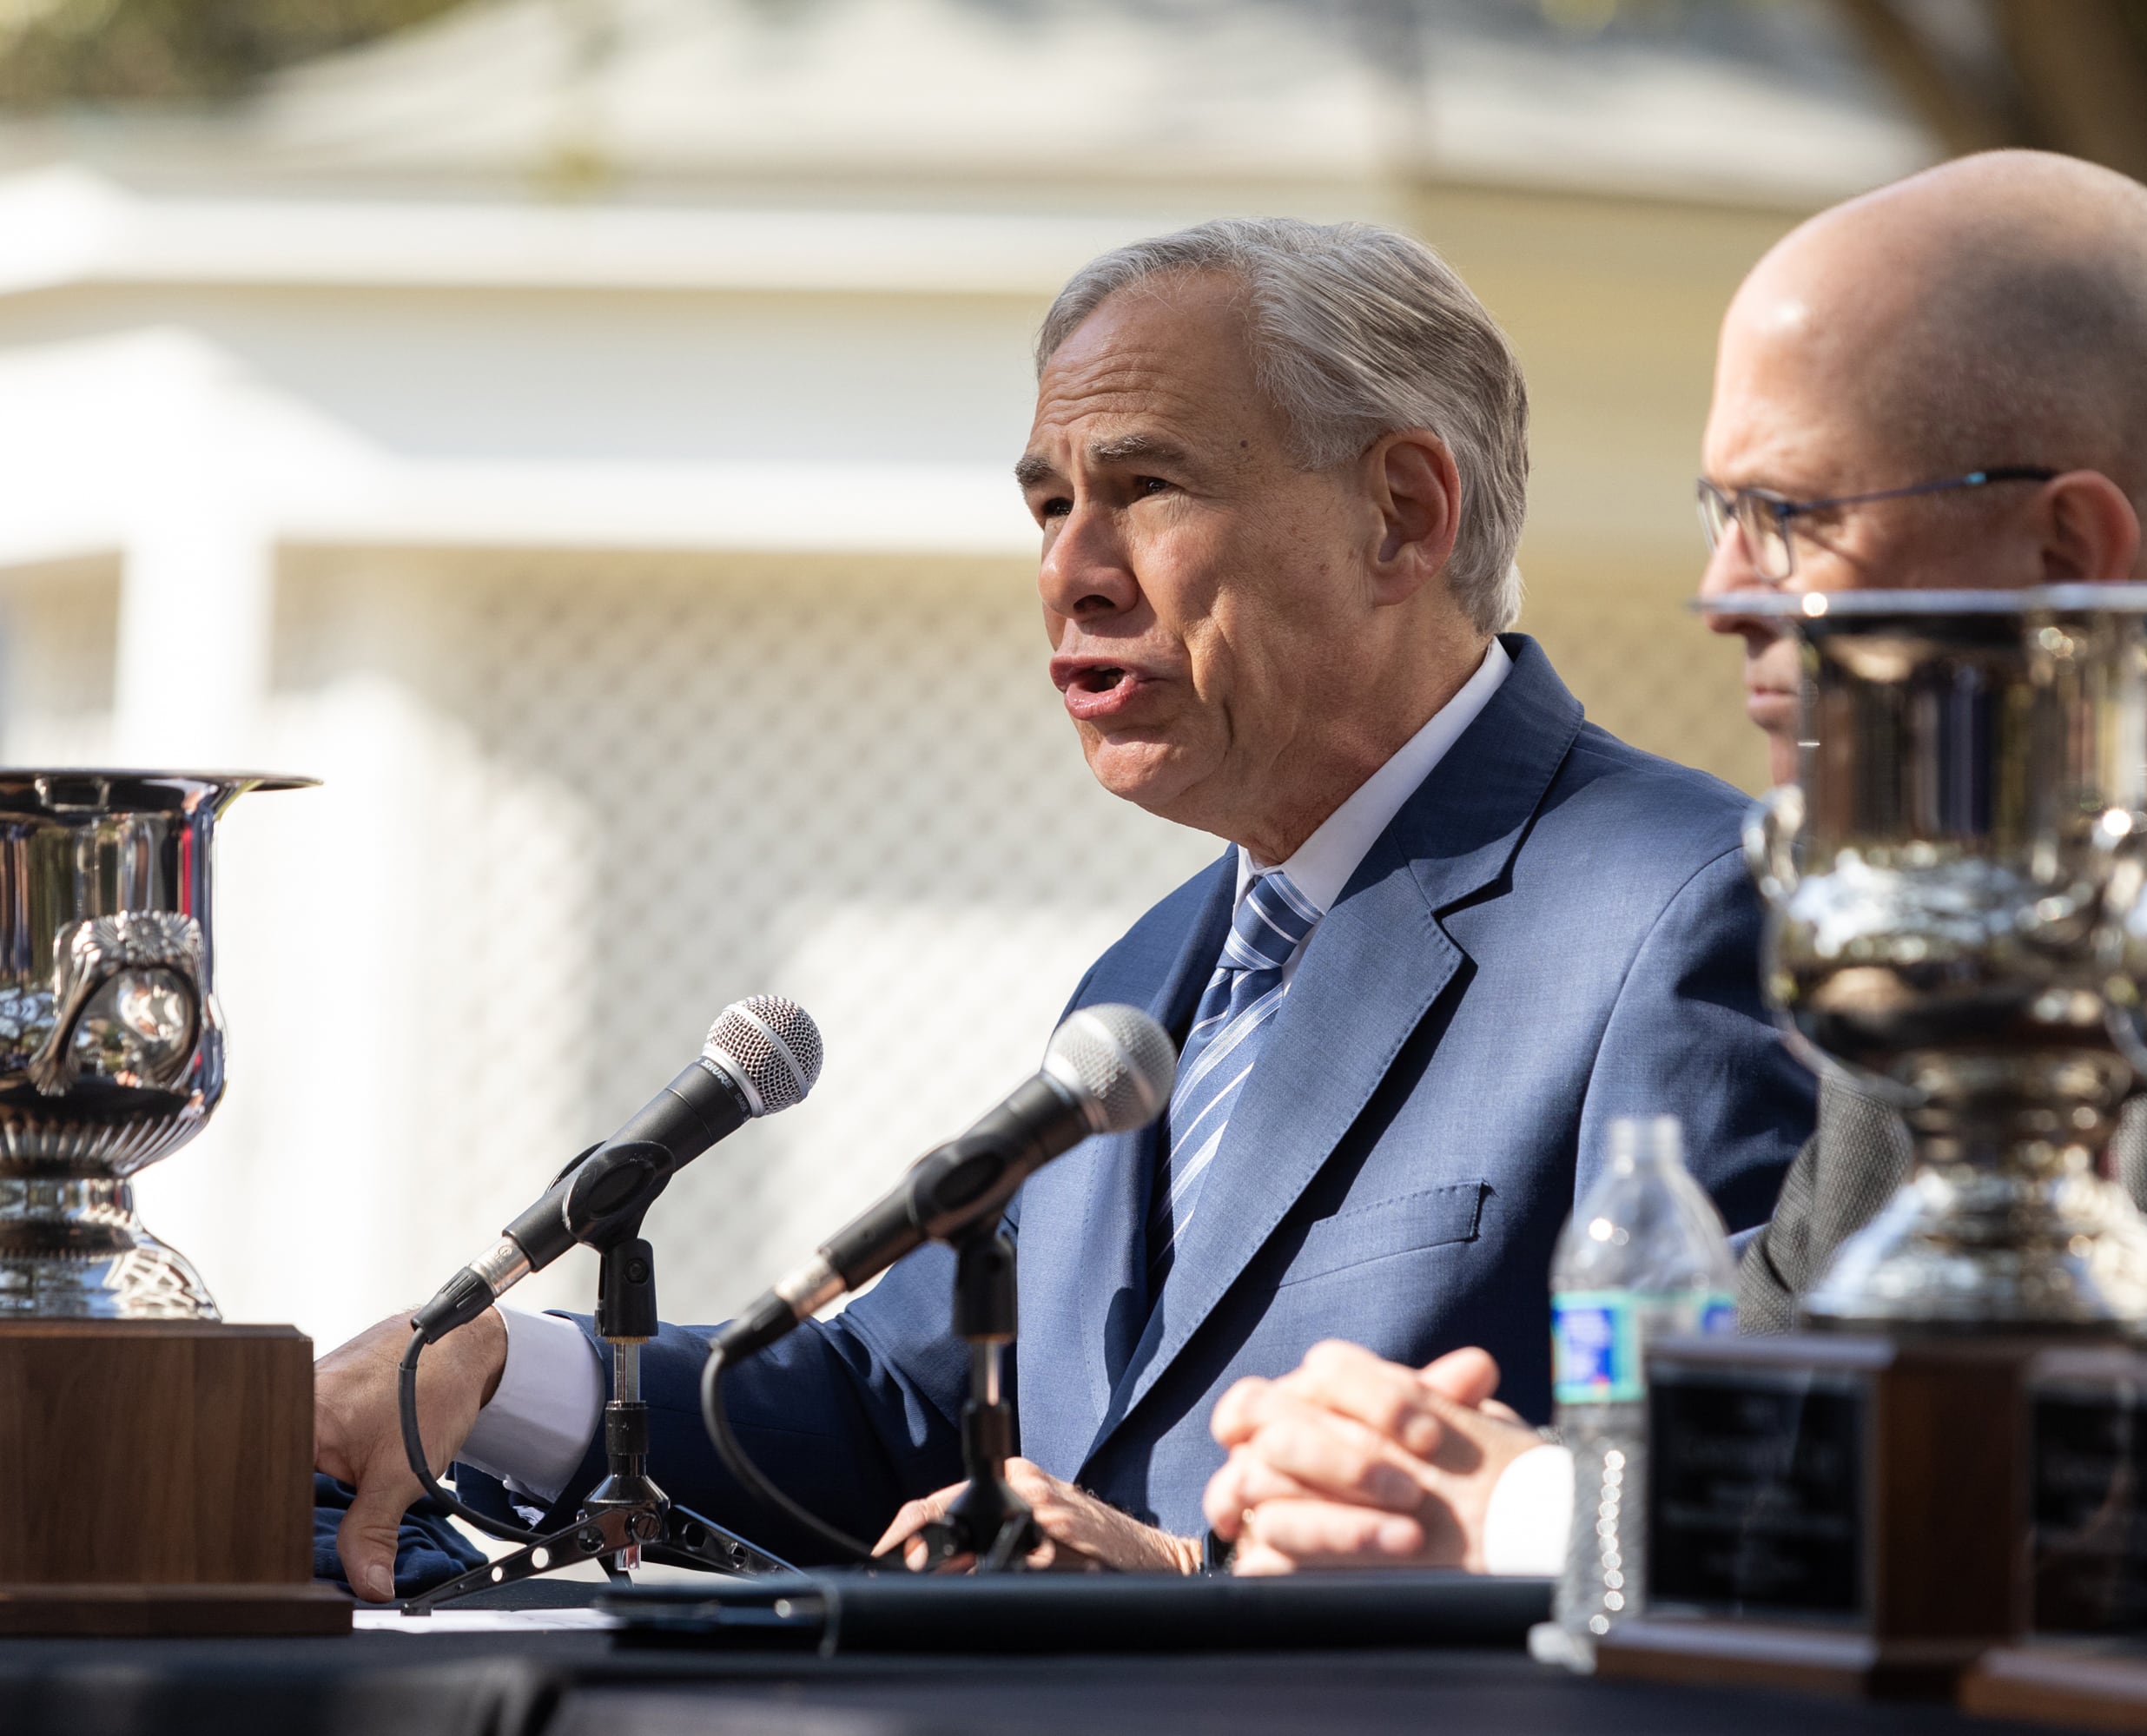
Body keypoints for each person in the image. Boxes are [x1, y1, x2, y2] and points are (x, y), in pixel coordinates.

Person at [312, 217, 1817, 1601]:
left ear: (1403, 516)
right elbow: (906, 1418)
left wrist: (1185, 1592)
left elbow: (1741, 1519)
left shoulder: (1686, 914)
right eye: (1047, 503)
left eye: (1145, 487)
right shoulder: (1149, 978)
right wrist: (502, 1375)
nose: (1071, 573)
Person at [1205, 149, 2147, 1575]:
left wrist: (1539, 1516)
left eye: (1789, 517)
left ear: (2067, 549)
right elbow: (1776, 1414)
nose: (1723, 597)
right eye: (1719, 518)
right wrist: (1409, 1481)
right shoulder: (1947, 974)